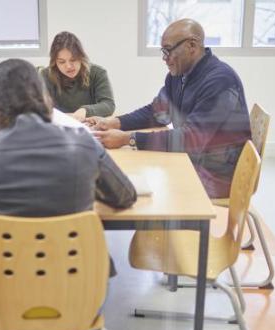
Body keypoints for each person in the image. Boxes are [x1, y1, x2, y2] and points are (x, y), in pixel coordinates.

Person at [0, 58, 136, 330]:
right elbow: (125, 195)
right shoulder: (81, 141)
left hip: (3, 289)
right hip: (78, 284)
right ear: (43, 96)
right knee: (83, 301)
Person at [87, 19, 251, 198]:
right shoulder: (179, 76)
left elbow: (191, 139)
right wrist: (114, 122)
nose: (164, 57)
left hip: (219, 175)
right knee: (133, 175)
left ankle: (163, 224)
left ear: (192, 45)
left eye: (168, 50)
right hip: (195, 160)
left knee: (145, 188)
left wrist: (129, 139)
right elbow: (157, 113)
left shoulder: (220, 80)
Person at [40, 31, 115, 121]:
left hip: (90, 126)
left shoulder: (98, 73)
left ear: (81, 57)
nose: (68, 66)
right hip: (58, 127)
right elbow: (40, 107)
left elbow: (108, 104)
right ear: (55, 62)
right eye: (61, 62)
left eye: (73, 60)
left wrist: (84, 111)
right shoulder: (46, 75)